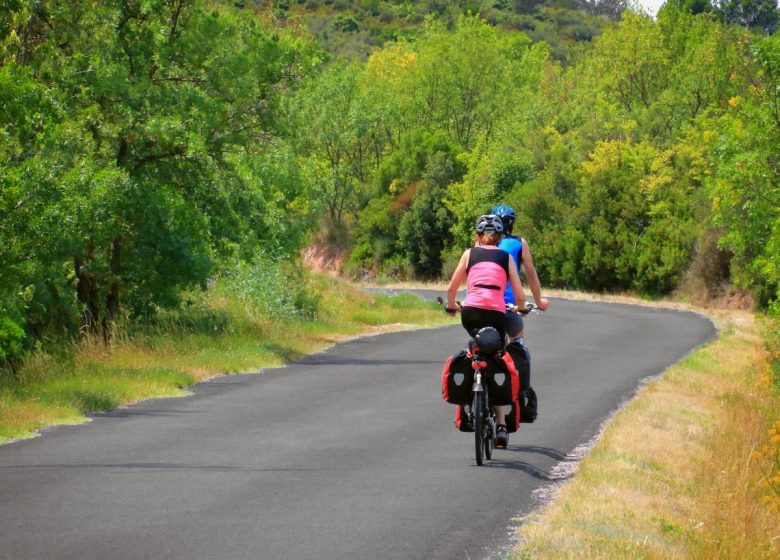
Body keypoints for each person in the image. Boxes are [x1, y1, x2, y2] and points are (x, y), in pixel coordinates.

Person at [446, 214, 526, 448]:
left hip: (470, 313)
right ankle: (501, 425)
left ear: (478, 236)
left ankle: (467, 403)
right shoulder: (505, 257)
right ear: (500, 238)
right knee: (497, 356)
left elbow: (452, 287)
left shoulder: (469, 253)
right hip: (496, 315)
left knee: (475, 349)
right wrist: (521, 308)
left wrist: (452, 306)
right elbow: (520, 295)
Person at [491, 204, 549, 341]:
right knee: (517, 344)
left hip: (482, 304)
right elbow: (531, 276)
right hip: (509, 305)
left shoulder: (481, 242)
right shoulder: (519, 243)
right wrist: (539, 302)